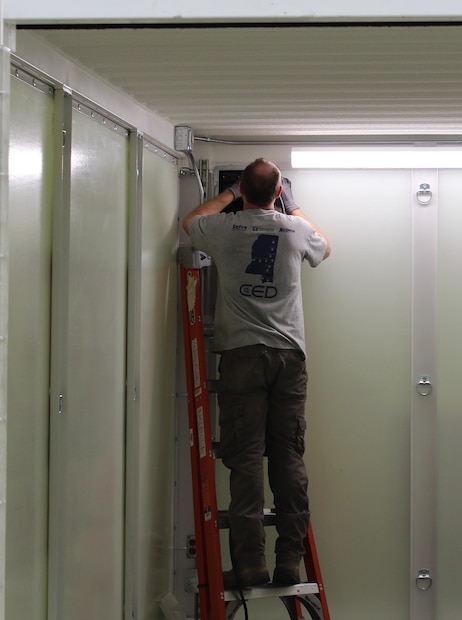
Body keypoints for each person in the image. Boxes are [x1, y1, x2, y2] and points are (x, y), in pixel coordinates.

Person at [182, 158, 331, 589]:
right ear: (280, 189)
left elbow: (193, 221)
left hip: (243, 355)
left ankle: (250, 564)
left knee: (244, 461)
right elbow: (325, 247)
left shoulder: (225, 228)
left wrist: (229, 196)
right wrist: (292, 205)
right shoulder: (296, 229)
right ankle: (289, 561)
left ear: (243, 188)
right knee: (288, 458)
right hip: (289, 358)